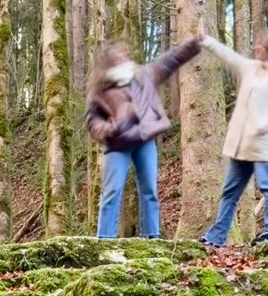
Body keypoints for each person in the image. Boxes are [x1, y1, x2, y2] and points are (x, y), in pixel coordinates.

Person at [85, 36, 202, 239]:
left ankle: (151, 237)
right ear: (107, 63)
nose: (121, 58)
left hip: (144, 140)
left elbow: (170, 59)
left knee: (149, 191)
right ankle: (104, 239)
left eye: (122, 55)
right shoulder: (100, 90)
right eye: (115, 58)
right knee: (112, 193)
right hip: (117, 144)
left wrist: (194, 43)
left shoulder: (143, 75)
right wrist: (108, 128)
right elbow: (92, 121)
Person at [198, 25, 268, 245]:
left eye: (260, 45)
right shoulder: (251, 68)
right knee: (229, 192)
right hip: (241, 145)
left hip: (262, 144)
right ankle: (217, 236)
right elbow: (229, 57)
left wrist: (264, 124)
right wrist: (206, 40)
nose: (255, 47)